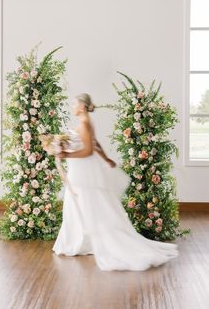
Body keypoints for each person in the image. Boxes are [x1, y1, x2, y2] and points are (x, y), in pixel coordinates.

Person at [51, 93, 179, 271]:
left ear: (81, 106)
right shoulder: (84, 123)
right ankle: (79, 241)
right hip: (80, 169)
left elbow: (88, 150)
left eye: (74, 104)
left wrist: (66, 154)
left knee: (86, 204)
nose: (72, 106)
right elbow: (95, 144)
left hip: (83, 171)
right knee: (79, 204)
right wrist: (105, 158)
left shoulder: (85, 123)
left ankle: (82, 242)